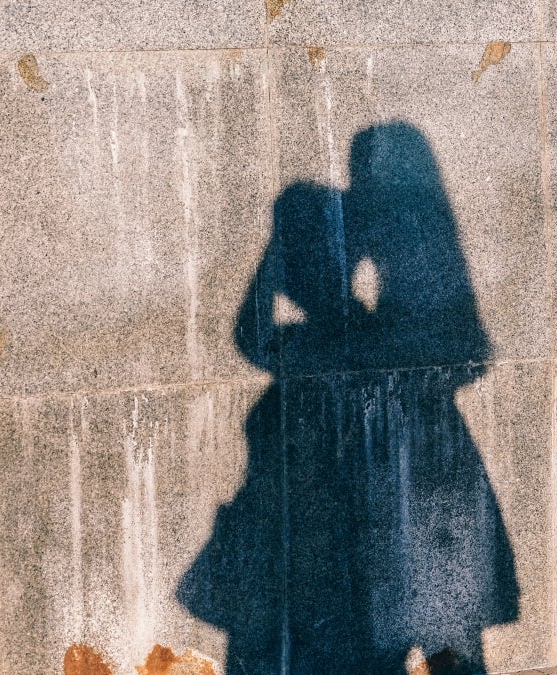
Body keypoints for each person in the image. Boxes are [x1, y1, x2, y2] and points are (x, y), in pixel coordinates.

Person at [178, 123, 518, 674]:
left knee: (432, 628)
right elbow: (254, 334)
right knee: (409, 629)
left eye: (369, 167)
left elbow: (465, 353)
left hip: (413, 456)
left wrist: (344, 334)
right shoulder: (368, 236)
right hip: (400, 454)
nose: (361, 179)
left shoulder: (415, 243)